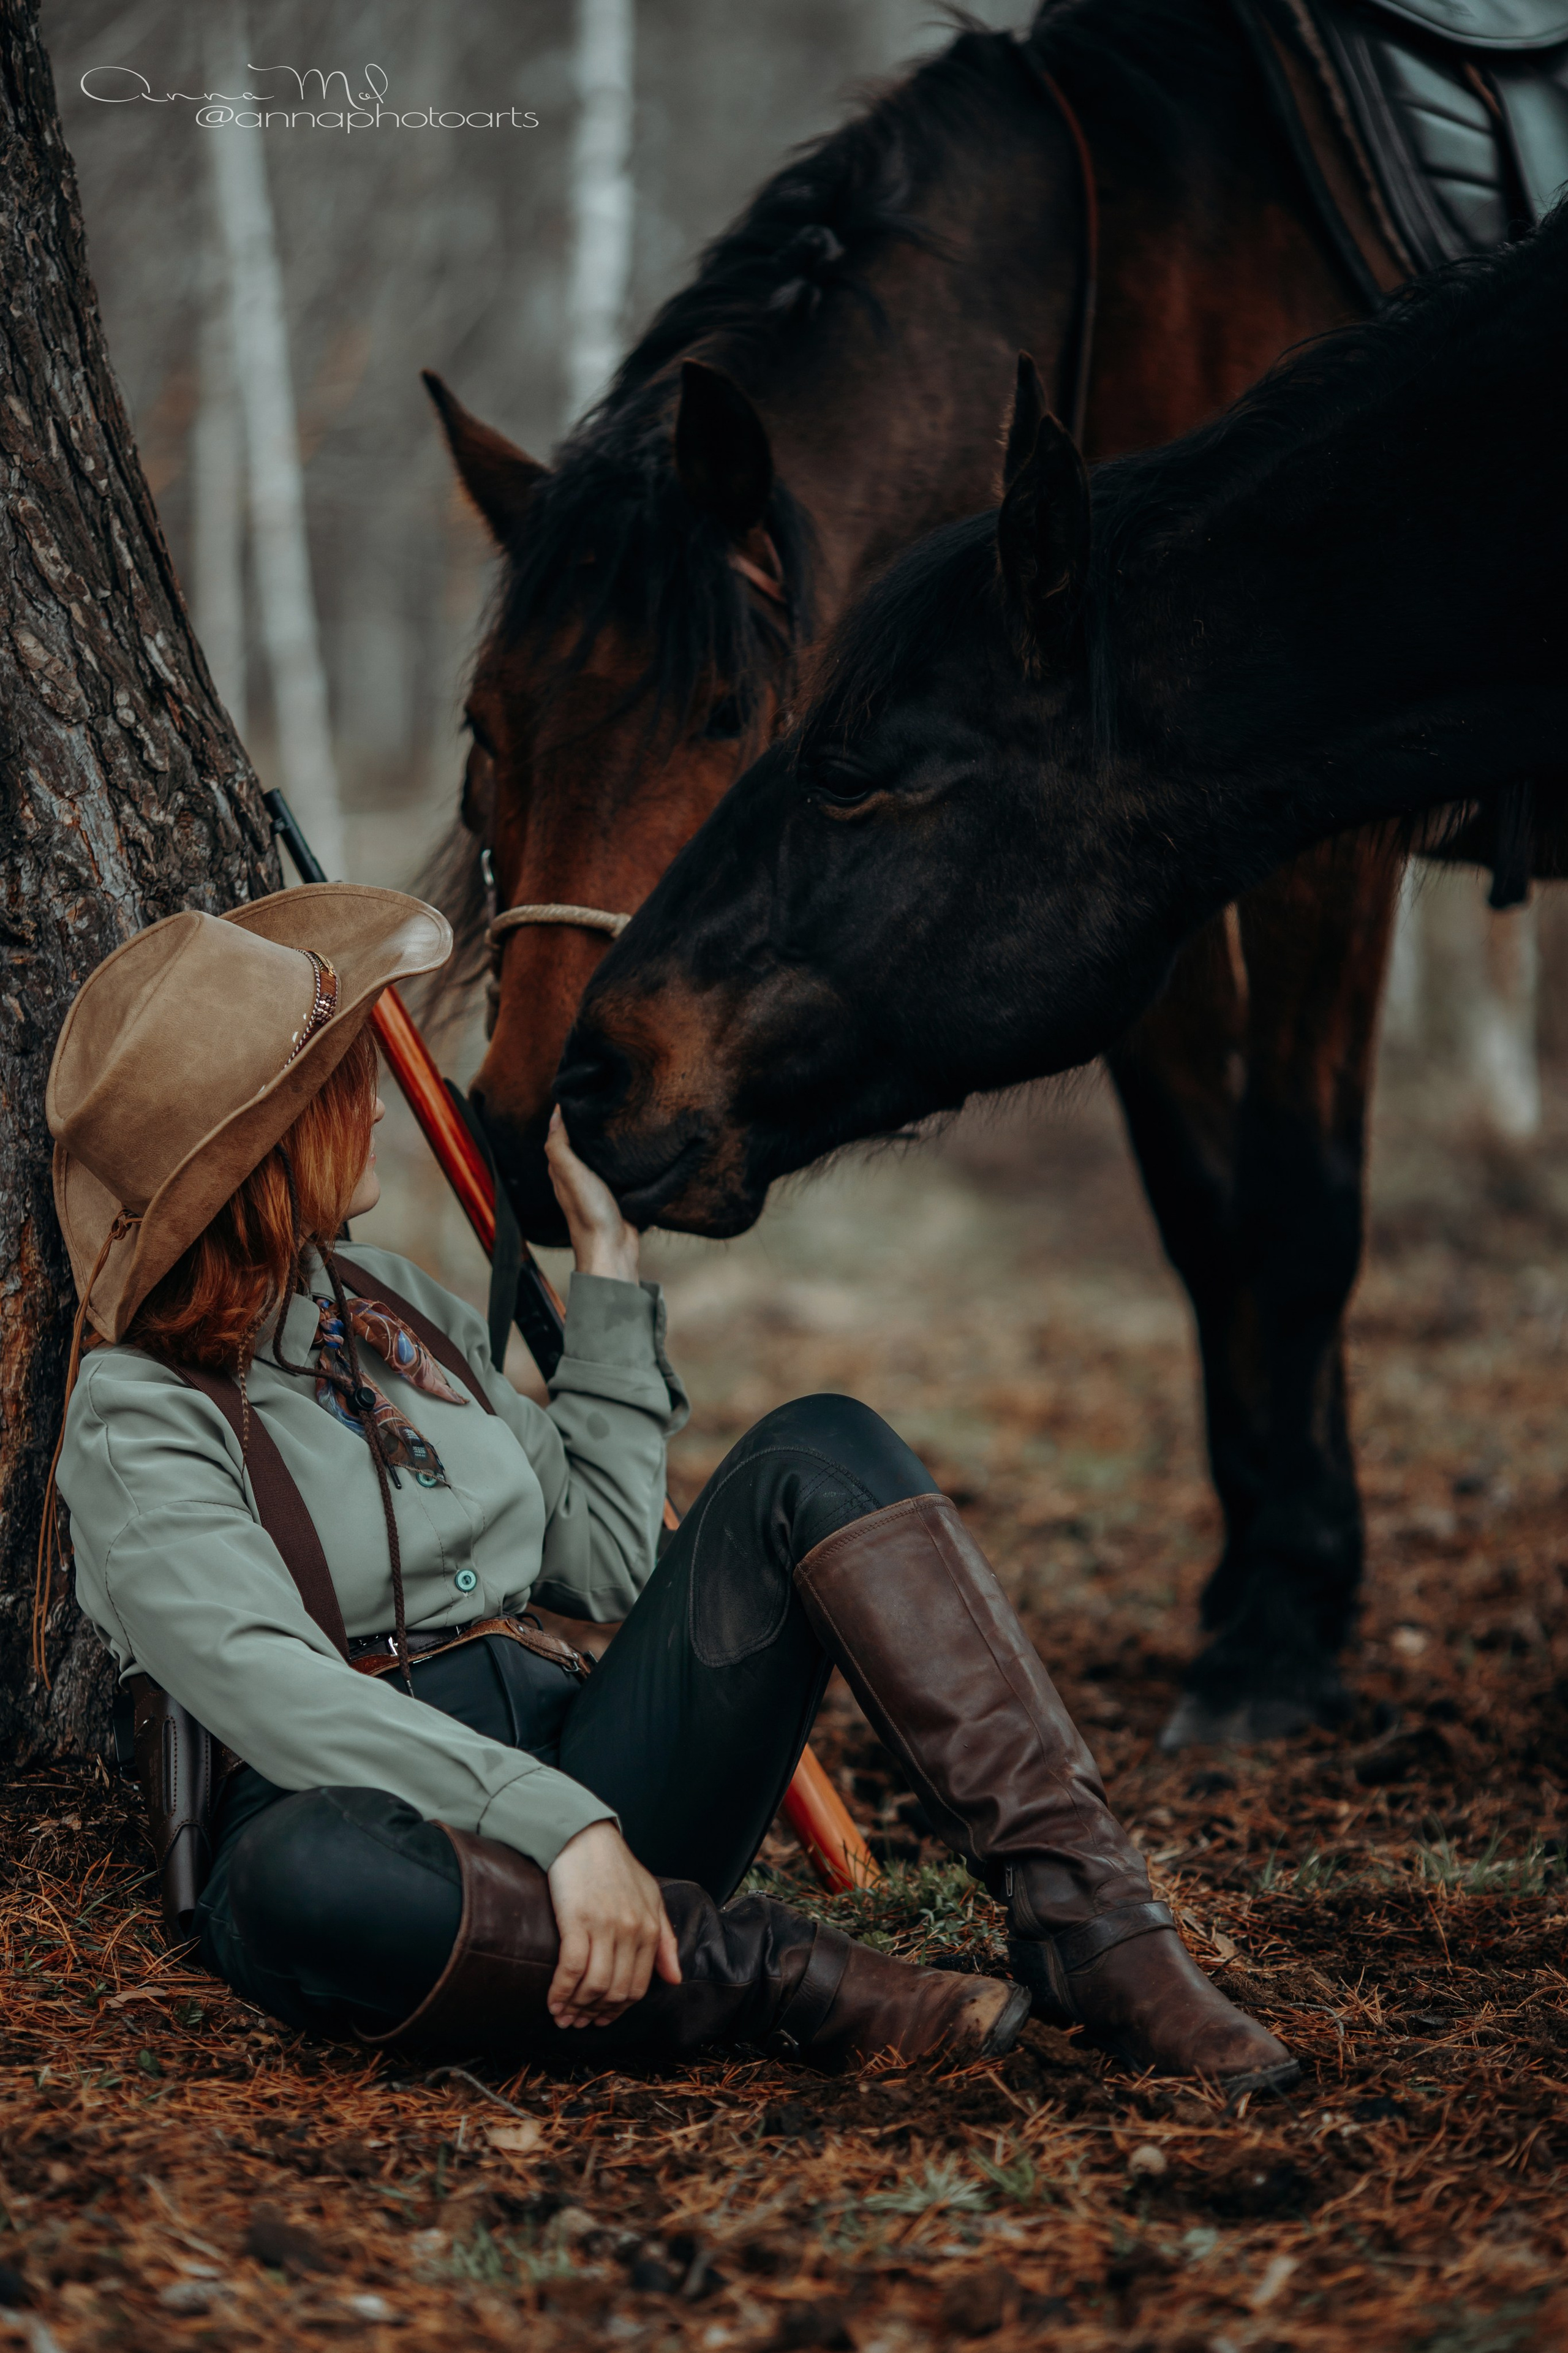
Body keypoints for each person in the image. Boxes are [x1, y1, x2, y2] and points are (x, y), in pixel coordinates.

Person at [45, 882, 1294, 2088]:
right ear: (260, 1148)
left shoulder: (393, 1309)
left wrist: (605, 1267)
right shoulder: (136, 1415)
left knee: (818, 1446)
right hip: (382, 1828)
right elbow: (274, 1688)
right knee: (296, 1883)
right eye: (339, 1082)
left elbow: (600, 1556)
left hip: (587, 1772)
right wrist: (555, 1825)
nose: (374, 1104)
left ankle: (1095, 1925)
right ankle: (799, 1986)